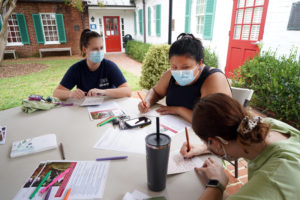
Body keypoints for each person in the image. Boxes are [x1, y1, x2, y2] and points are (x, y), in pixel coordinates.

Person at [180, 93, 300, 200]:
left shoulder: (272, 179)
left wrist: (216, 184)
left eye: (206, 143)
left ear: (216, 142)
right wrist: (203, 148)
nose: (206, 145)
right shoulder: (267, 125)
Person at [138, 33, 231, 123]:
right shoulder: (170, 74)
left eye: (185, 67)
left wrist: (179, 110)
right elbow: (156, 92)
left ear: (199, 63)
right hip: (176, 127)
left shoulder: (213, 78)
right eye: (174, 67)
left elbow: (209, 121)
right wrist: (147, 101)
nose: (178, 72)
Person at [53, 29, 131, 100]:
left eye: (101, 48)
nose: (100, 52)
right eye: (95, 49)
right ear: (84, 49)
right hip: (84, 110)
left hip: (108, 107)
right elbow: (56, 93)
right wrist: (71, 94)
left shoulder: (109, 66)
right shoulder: (76, 69)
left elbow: (127, 91)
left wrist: (103, 92)